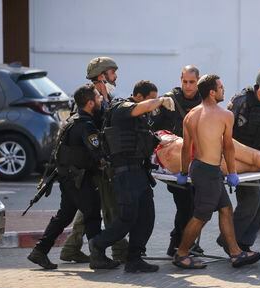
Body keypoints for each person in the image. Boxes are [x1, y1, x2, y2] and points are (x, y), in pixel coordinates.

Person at [173, 74, 260, 269]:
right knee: (201, 215)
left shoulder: (191, 115)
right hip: (209, 170)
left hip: (198, 167)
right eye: (221, 87)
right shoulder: (224, 115)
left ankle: (235, 253)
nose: (224, 90)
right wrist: (232, 172)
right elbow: (228, 148)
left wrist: (183, 172)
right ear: (212, 93)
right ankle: (181, 253)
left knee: (225, 208)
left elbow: (186, 147)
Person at [27, 84, 119, 270]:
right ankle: (98, 256)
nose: (101, 100)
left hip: (68, 177)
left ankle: (39, 251)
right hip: (79, 178)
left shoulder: (71, 121)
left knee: (65, 215)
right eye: (98, 98)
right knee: (92, 214)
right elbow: (97, 153)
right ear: (90, 103)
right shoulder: (86, 126)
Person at [88, 88, 175, 272]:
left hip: (139, 173)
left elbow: (144, 142)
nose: (152, 105)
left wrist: (160, 140)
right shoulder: (122, 109)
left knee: (146, 217)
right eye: (149, 99)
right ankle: (97, 244)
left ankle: (134, 259)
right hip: (124, 174)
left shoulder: (140, 120)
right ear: (138, 97)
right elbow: (141, 107)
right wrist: (160, 100)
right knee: (128, 218)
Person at [60, 56, 129, 264]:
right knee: (110, 207)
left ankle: (71, 248)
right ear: (102, 75)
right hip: (96, 163)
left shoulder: (106, 96)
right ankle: (120, 251)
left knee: (90, 208)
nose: (115, 76)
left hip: (100, 161)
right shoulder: (90, 97)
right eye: (112, 72)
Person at [217, 66, 260, 253]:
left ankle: (244, 244)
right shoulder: (241, 102)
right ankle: (229, 240)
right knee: (252, 199)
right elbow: (225, 130)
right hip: (238, 158)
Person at [152, 65, 203, 257]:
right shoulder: (169, 100)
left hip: (197, 162)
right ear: (180, 80)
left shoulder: (204, 100)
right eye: (185, 82)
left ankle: (186, 242)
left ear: (198, 82)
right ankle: (177, 244)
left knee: (197, 205)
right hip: (174, 164)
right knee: (185, 205)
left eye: (192, 82)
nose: (188, 86)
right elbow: (154, 130)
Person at [152, 130, 260, 174]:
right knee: (251, 158)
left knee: (251, 164)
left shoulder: (154, 145)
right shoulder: (161, 135)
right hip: (203, 145)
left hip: (200, 157)